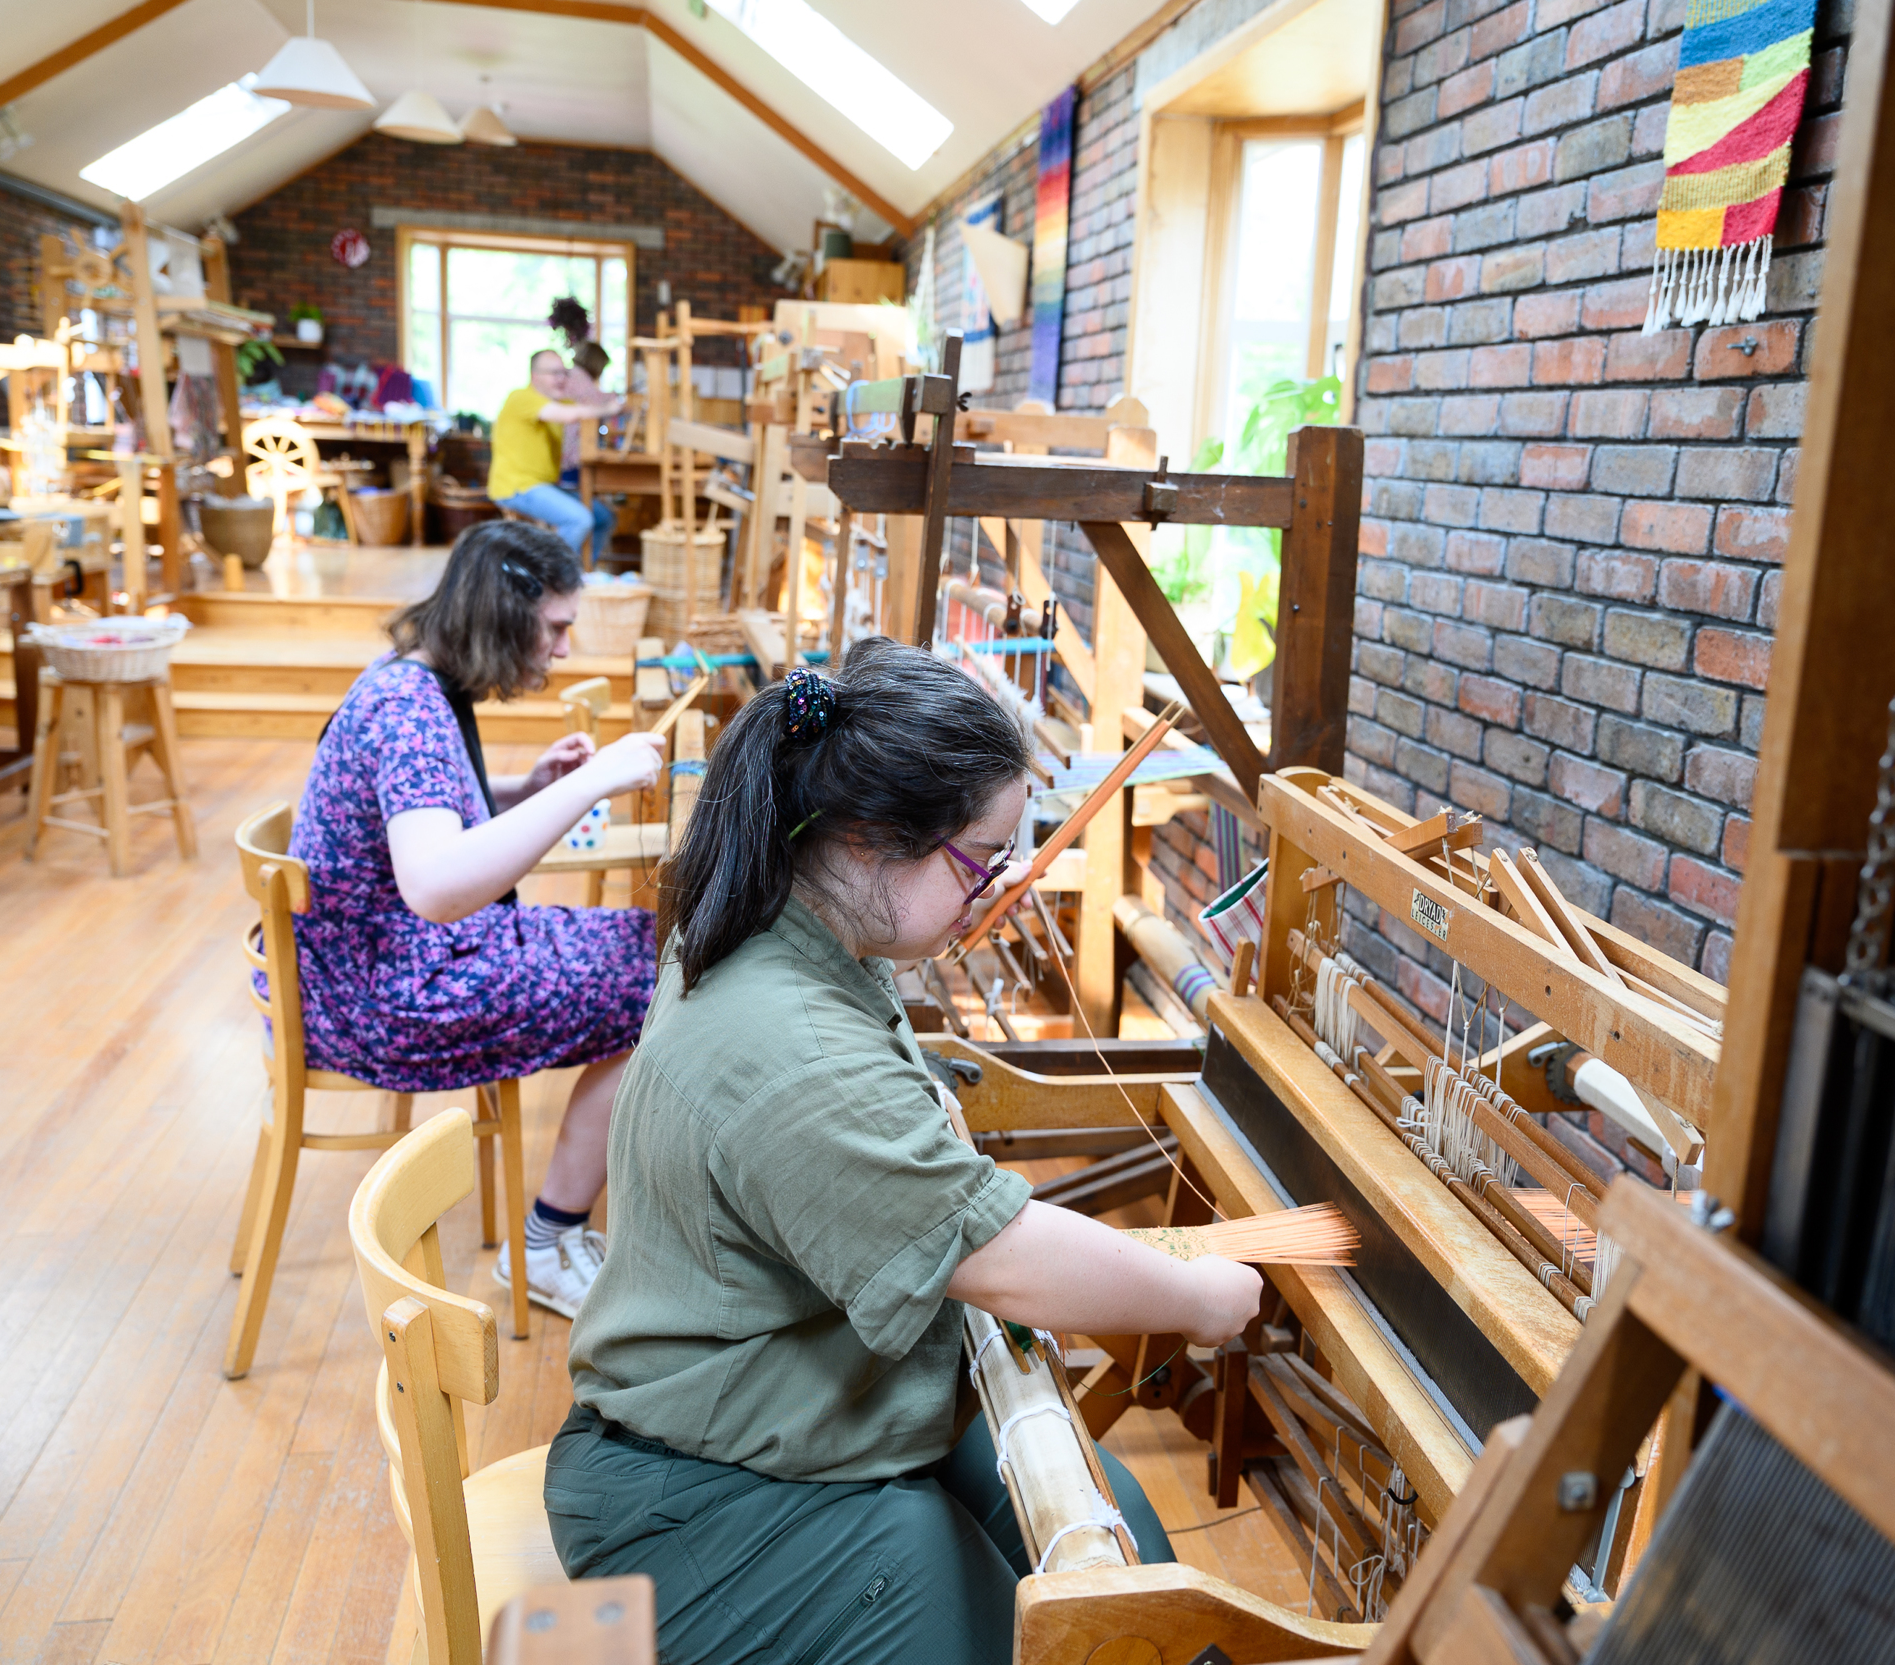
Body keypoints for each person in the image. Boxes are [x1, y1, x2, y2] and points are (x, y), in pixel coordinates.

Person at [546, 642, 1264, 1664]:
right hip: (689, 1491)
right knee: (982, 1614)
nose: (998, 885)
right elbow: (998, 1255)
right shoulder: (788, 1044)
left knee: (1130, 1550)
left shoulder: (783, 924)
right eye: (981, 860)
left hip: (790, 1407)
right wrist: (1203, 1300)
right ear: (872, 840)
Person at [282, 520, 665, 1318]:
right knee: (661, 979)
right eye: (556, 627)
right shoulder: (410, 709)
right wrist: (589, 784)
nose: (562, 649)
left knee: (657, 949)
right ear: (504, 612)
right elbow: (434, 885)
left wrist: (525, 786)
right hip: (388, 992)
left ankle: (559, 1230)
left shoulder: (409, 679)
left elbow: (424, 820)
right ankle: (551, 1241)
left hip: (380, 962)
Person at [489, 348, 623, 568]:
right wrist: (608, 408)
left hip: (543, 485)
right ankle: (548, 575)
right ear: (535, 376)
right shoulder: (521, 397)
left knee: (603, 517)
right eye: (554, 373)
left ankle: (577, 571)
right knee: (578, 519)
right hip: (516, 486)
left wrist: (612, 404)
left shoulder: (561, 402)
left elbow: (586, 407)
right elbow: (571, 414)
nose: (561, 379)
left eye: (564, 373)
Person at [557, 339, 616, 490]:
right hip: (572, 444)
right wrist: (614, 400)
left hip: (564, 441)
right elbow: (594, 405)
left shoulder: (572, 374)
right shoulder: (580, 378)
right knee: (573, 490)